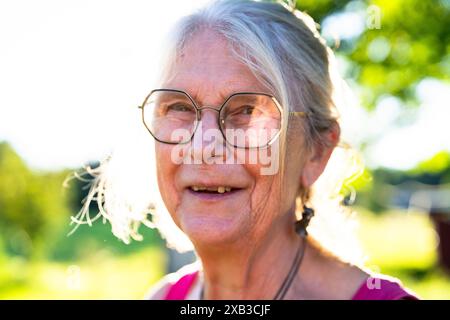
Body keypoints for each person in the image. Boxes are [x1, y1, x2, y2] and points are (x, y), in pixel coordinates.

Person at [75, 0, 418, 300]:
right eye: (179, 107)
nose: (203, 147)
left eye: (247, 111)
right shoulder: (163, 296)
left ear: (316, 151)